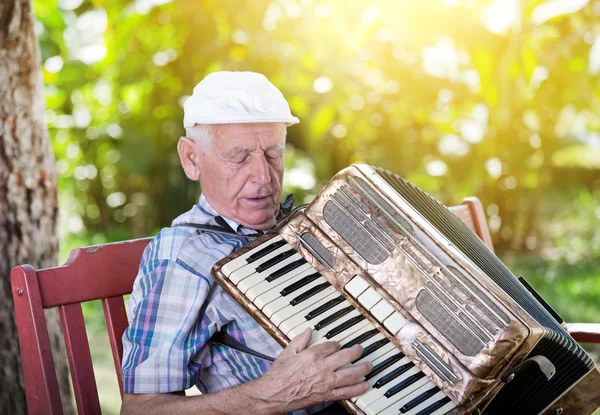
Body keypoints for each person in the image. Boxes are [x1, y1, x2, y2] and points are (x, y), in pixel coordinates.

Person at [120, 71, 372, 415]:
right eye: (239, 157)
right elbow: (140, 410)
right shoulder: (184, 256)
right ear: (191, 159)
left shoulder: (305, 226)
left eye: (272, 154)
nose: (263, 177)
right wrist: (270, 395)